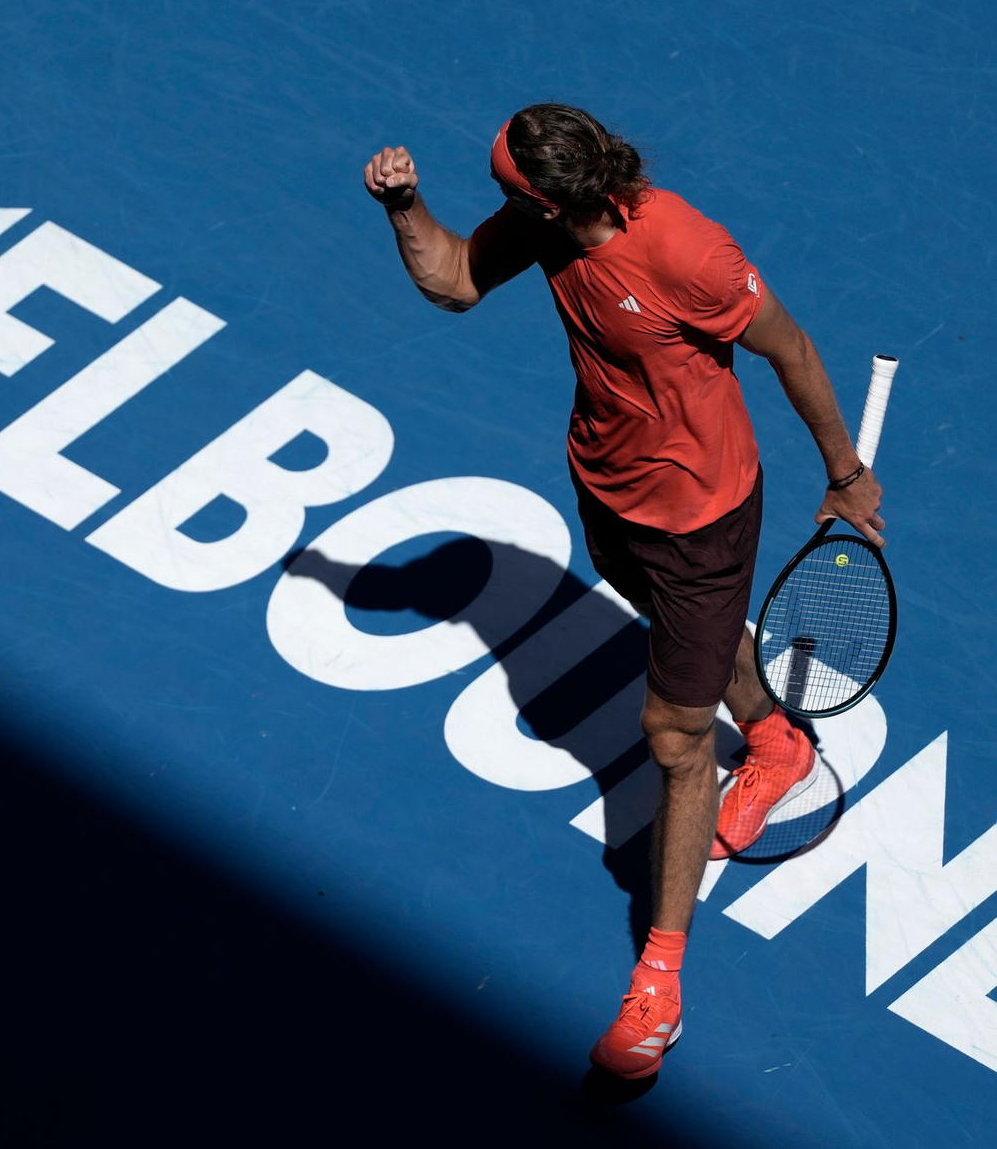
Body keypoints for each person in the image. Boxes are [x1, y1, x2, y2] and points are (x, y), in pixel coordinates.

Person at [362, 103, 886, 1081]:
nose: (500, 206)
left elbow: (793, 348)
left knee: (672, 740)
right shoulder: (547, 219)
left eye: (507, 193)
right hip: (609, 487)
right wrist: (404, 206)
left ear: (557, 199)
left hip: (701, 517)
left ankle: (660, 986)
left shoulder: (686, 249)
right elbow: (457, 281)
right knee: (677, 634)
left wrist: (845, 470)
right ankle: (778, 737)